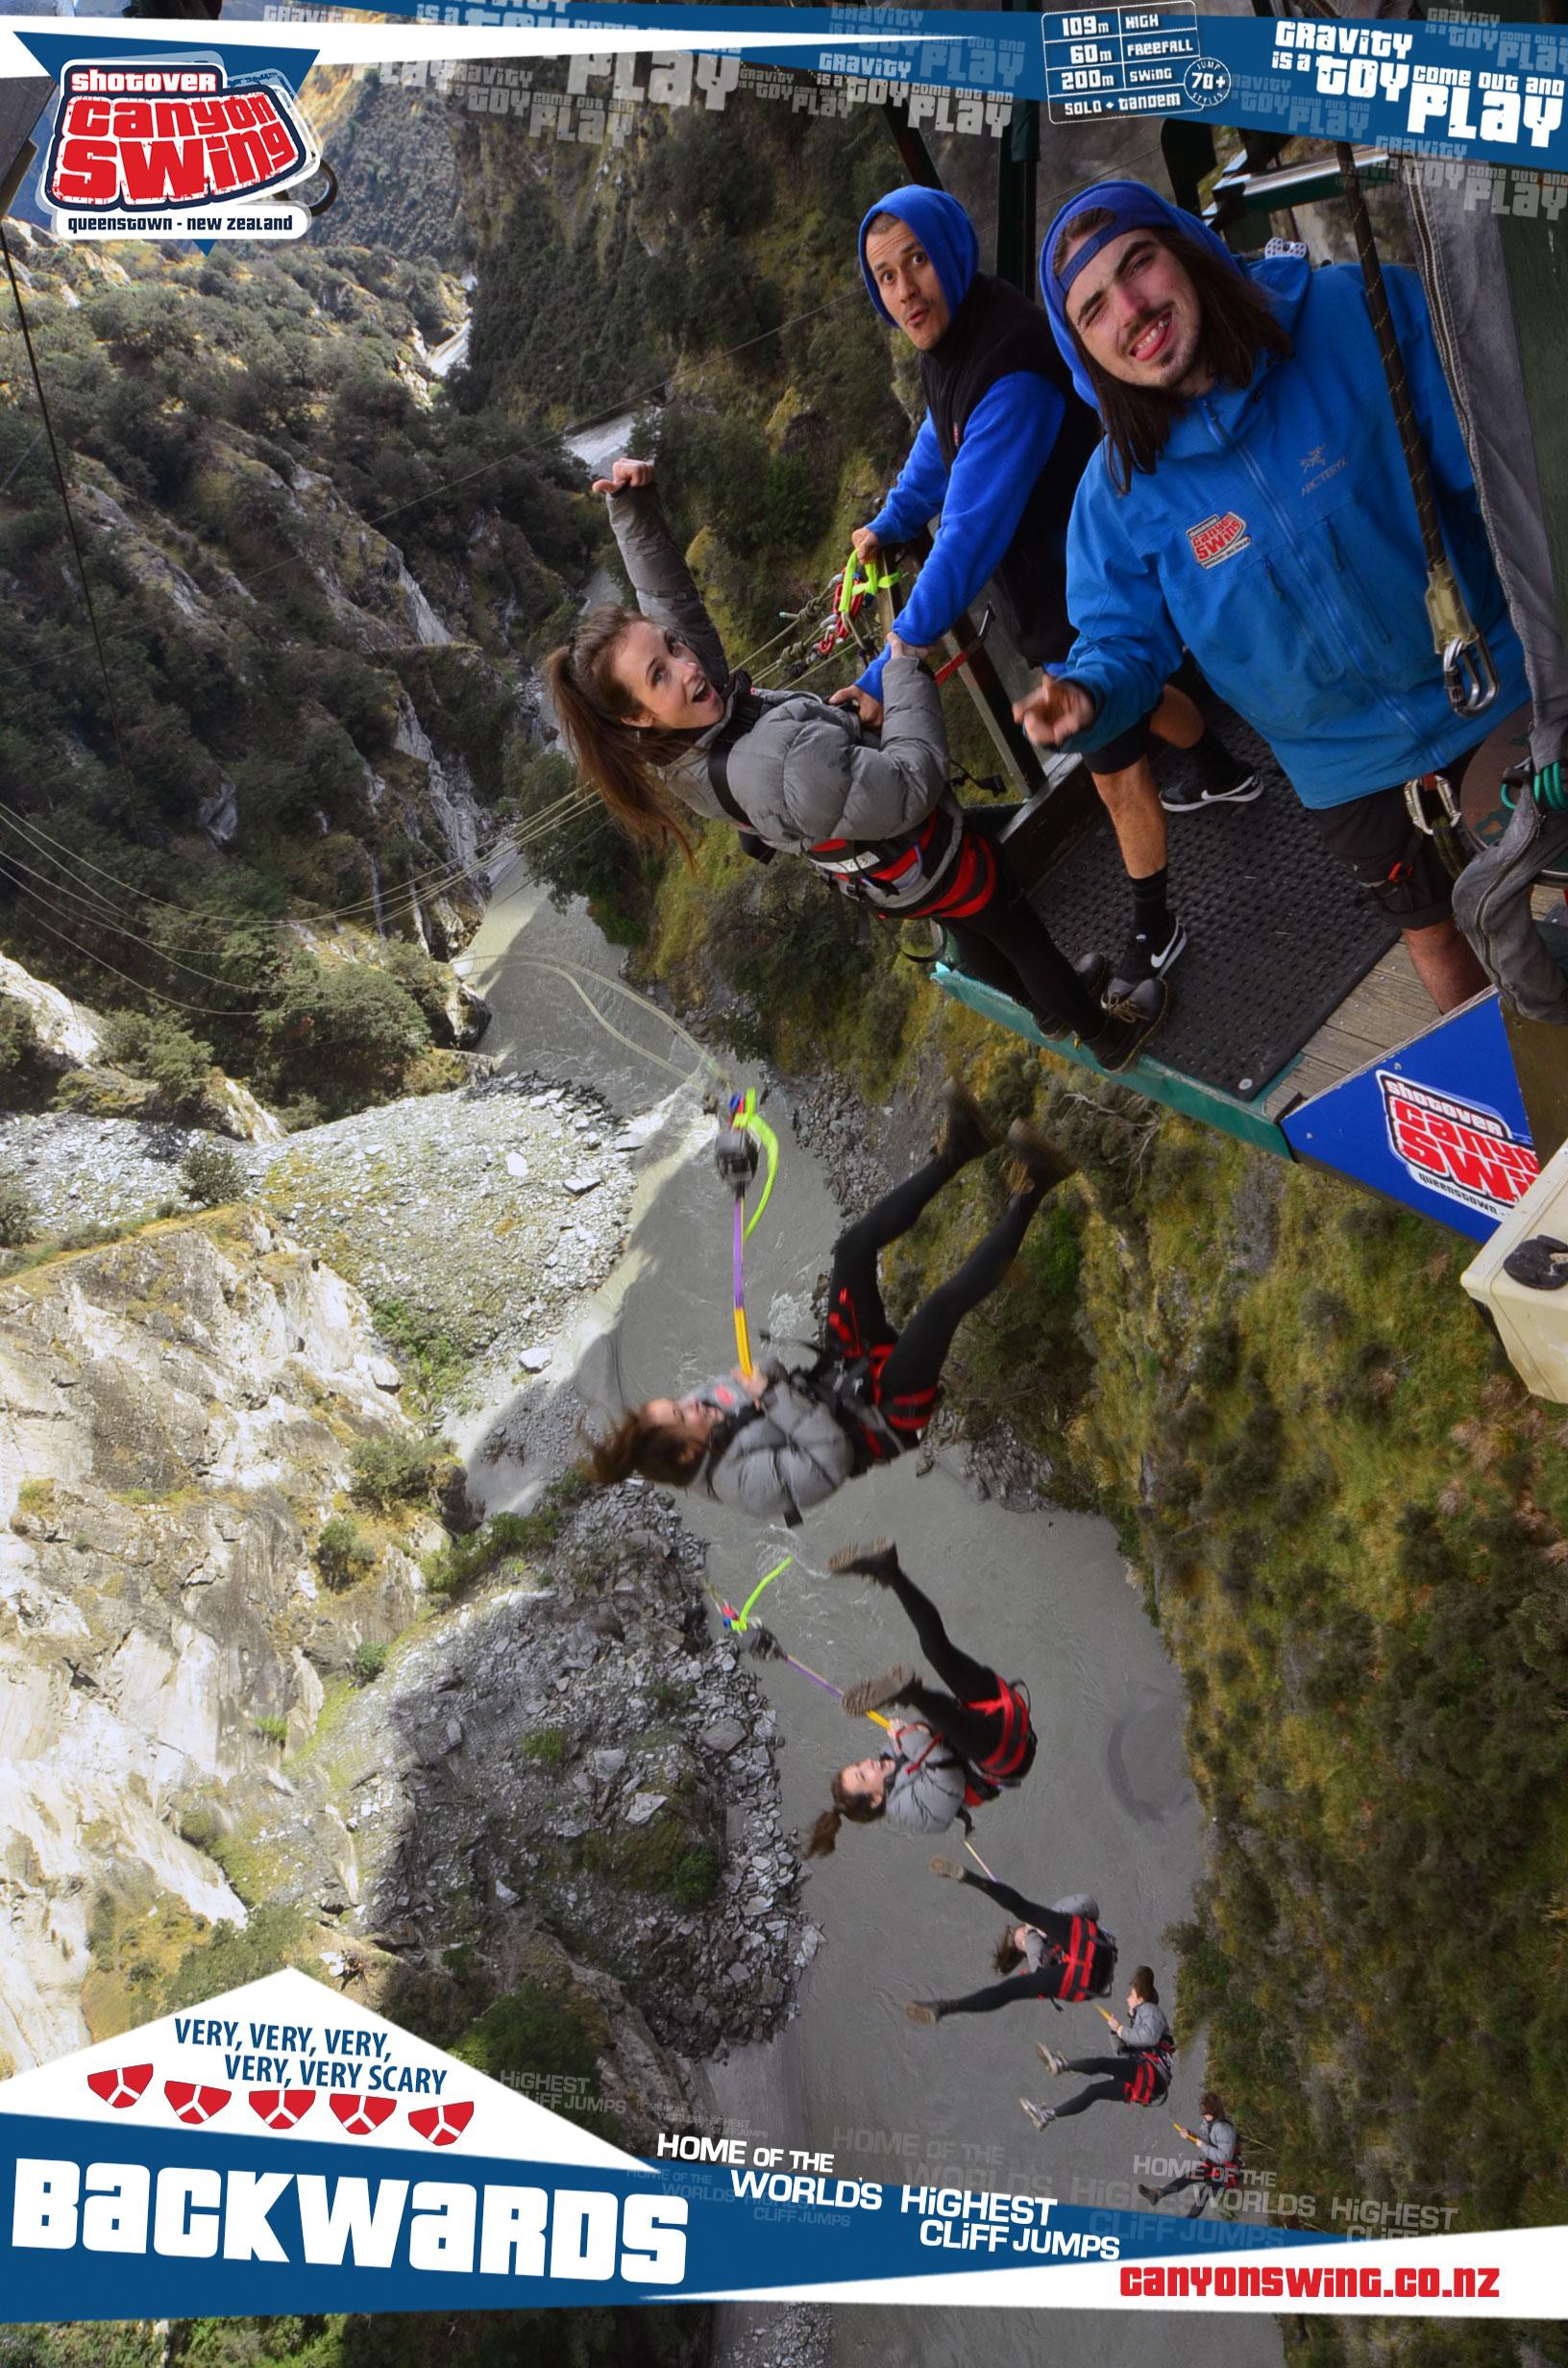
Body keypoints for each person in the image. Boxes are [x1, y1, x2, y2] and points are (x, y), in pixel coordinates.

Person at [1019, 177, 1531, 1014]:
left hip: (1493, 676)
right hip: (1344, 765)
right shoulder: (1115, 494)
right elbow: (1124, 645)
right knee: (1433, 930)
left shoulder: (1355, 313)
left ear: (1186, 253)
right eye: (1094, 308)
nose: (1132, 310)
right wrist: (1090, 695)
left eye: (1139, 265)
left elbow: (1494, 470)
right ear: (1085, 354)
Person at [546, 456, 1164, 1070]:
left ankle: (1047, 1006)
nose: (686, 666)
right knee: (1014, 926)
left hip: (888, 872)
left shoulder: (673, 740)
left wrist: (630, 510)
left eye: (673, 649)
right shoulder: (770, 762)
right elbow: (912, 784)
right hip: (919, 847)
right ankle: (1106, 1036)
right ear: (636, 715)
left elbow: (667, 602)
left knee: (974, 928)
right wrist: (903, 667)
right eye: (660, 674)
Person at [847, 185, 1257, 999]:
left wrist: (884, 671)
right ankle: (1217, 766)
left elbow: (968, 535)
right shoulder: (964, 341)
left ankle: (1155, 924)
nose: (905, 291)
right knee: (1133, 700)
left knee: (1109, 766)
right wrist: (893, 520)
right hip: (1059, 575)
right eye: (886, 277)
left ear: (952, 251)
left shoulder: (1010, 370)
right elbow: (940, 437)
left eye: (918, 262)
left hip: (1087, 579)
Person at [585, 1089, 1069, 1522]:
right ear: (690, 1454)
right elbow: (830, 1458)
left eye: (679, 1401)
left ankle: (960, 1150)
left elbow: (767, 1373)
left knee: (853, 1247)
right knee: (938, 1311)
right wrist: (770, 1397)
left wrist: (762, 1383)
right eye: (685, 1413)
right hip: (882, 1413)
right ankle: (1036, 1187)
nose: (697, 1401)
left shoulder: (702, 1418)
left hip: (844, 1370)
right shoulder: (747, 1487)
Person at [803, 1540, 1037, 1853]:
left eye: (858, 1764)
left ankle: (890, 1571)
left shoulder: (889, 1752)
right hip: (1002, 1755)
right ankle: (910, 1693)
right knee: (949, 1720)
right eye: (862, 1773)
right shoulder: (910, 1812)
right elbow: (948, 1777)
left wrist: (910, 1736)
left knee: (938, 1650)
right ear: (875, 1798)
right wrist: (910, 1737)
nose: (867, 1762)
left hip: (993, 1712)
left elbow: (928, 1734)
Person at [899, 1860, 1116, 2024]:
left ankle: (948, 2007)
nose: (1023, 1935)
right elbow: (1086, 1904)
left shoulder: (1046, 1943)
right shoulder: (1039, 1948)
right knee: (1024, 1909)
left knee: (1010, 1989)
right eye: (1020, 1938)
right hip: (1089, 1950)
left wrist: (1036, 1929)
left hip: (1084, 1977)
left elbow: (1085, 1907)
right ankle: (972, 1878)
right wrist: (1033, 1931)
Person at [1018, 1964, 1174, 2129]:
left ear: (1140, 1999)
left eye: (1131, 1995)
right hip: (1147, 2081)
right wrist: (1115, 2032)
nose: (1127, 1999)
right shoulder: (1139, 2021)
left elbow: (1149, 2038)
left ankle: (1062, 2064)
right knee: (1094, 2091)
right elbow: (1125, 2057)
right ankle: (1047, 2115)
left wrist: (1120, 2030)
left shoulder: (1150, 2009)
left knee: (1101, 2063)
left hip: (1151, 2074)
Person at [1139, 2091, 1243, 2217]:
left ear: (1214, 2111)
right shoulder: (1209, 2121)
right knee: (1188, 2178)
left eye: (1205, 2113)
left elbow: (1224, 2157)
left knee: (1203, 2194)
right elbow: (1204, 2139)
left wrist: (1202, 2146)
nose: (1203, 2116)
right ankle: (1157, 2194)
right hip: (1214, 2166)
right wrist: (1190, 2135)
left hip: (1229, 2173)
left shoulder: (1224, 2129)